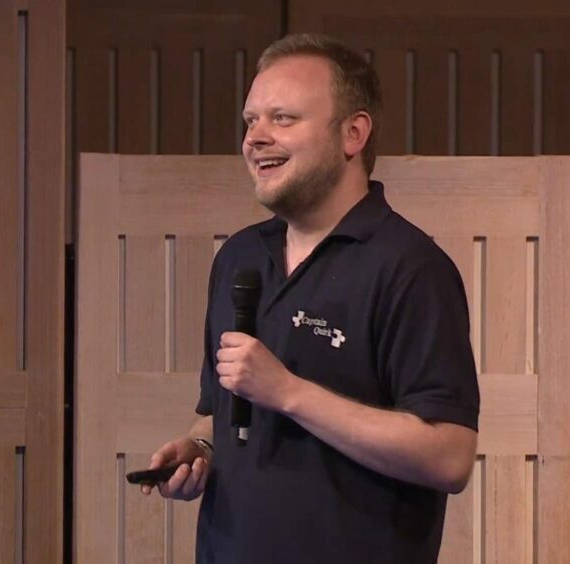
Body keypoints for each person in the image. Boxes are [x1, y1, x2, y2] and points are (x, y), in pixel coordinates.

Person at [140, 33, 480, 563]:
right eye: (251, 120)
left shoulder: (411, 269)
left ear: (353, 133)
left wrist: (289, 392)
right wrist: (199, 450)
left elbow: (450, 456)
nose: (255, 138)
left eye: (283, 118)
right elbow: (216, 412)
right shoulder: (238, 257)